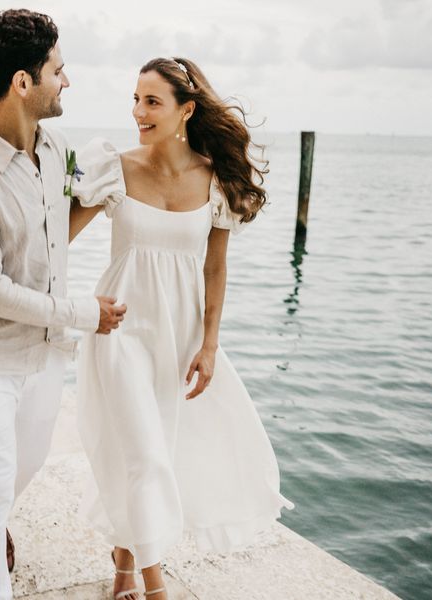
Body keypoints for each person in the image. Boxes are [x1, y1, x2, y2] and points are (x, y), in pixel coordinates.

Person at [69, 57, 294, 599]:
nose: (138, 112)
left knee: (156, 453)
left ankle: (124, 560)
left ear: (185, 110)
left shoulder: (215, 179)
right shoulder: (112, 167)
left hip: (180, 333)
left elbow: (215, 268)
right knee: (145, 453)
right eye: (136, 99)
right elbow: (55, 242)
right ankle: (156, 588)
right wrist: (68, 307)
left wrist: (210, 345)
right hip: (119, 329)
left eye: (152, 101)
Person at [0, 10, 126, 599]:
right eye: (58, 71)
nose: (67, 82)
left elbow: (51, 235)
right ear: (23, 82)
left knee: (26, 465)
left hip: (43, 351)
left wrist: (109, 189)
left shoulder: (56, 148)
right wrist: (84, 313)